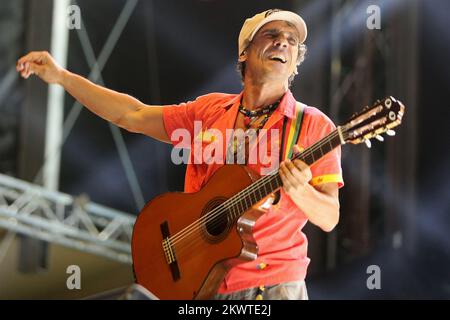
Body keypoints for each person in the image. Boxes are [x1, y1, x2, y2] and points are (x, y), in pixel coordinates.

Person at [17, 9, 343, 300]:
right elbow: (130, 115)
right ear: (244, 51)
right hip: (199, 282)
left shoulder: (313, 125)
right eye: (271, 35)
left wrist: (301, 191)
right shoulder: (209, 111)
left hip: (272, 286)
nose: (283, 43)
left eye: (291, 40)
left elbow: (329, 217)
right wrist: (62, 77)